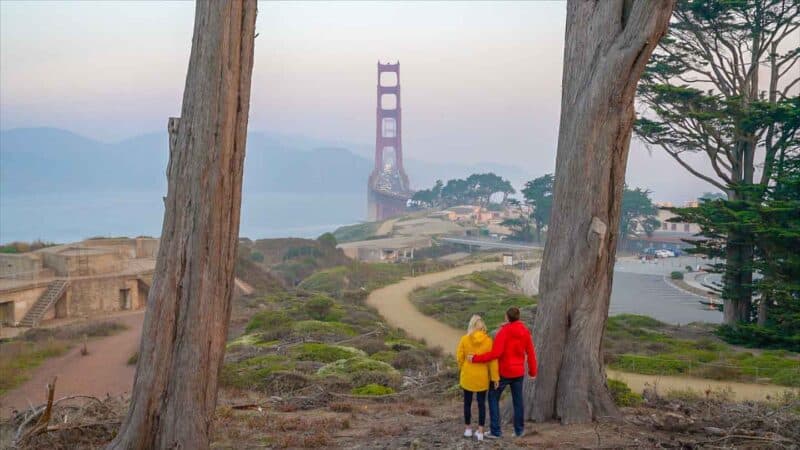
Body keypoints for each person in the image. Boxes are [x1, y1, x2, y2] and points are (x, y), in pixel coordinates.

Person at [468, 307, 536, 439]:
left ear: (507, 317)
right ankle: (519, 431)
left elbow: (496, 353)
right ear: (518, 317)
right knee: (518, 401)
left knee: (493, 397)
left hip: (504, 372)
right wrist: (533, 372)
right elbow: (531, 353)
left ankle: (496, 431)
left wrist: (476, 358)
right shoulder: (525, 331)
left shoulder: (504, 332)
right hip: (518, 373)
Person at [456, 315, 499, 441]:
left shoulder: (464, 339)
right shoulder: (488, 341)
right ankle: (480, 432)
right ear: (482, 326)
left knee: (467, 403)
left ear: (471, 325)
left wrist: (463, 367)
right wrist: (495, 378)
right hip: (482, 377)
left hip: (468, 375)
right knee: (481, 404)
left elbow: (459, 357)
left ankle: (468, 429)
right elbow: (492, 361)